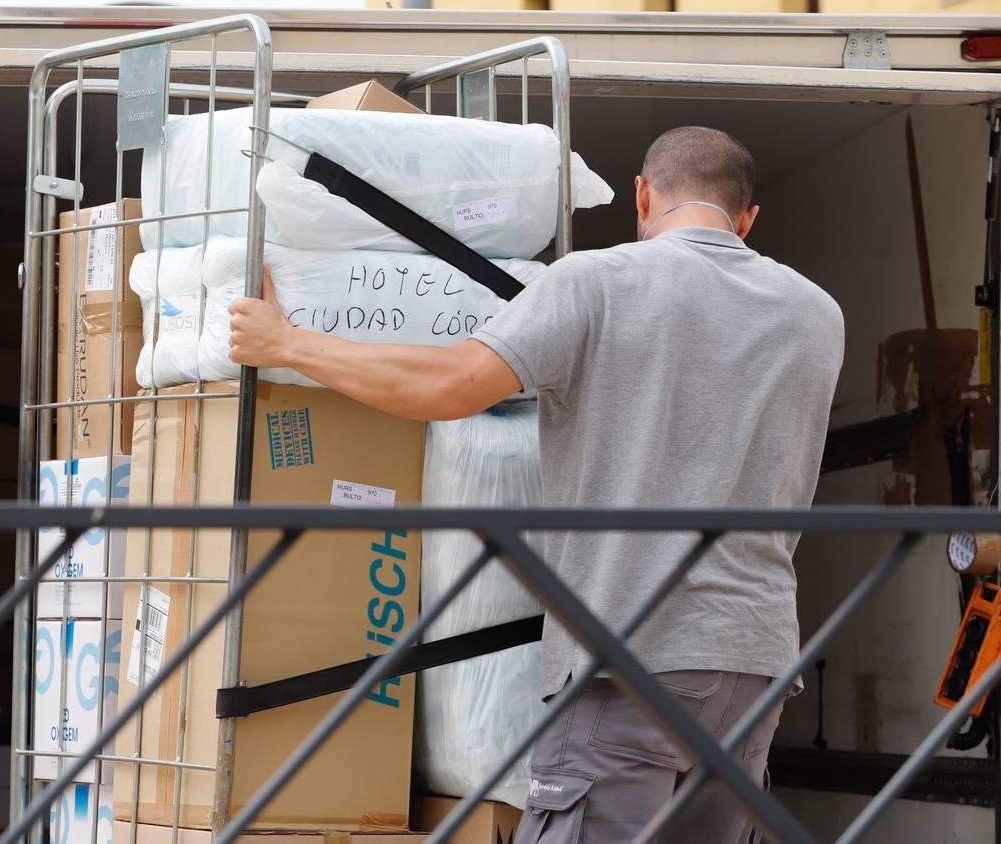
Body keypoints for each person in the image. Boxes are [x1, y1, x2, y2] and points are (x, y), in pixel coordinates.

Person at [227, 126, 844, 843]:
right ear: (748, 218)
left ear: (642, 197)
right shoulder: (816, 313)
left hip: (632, 658)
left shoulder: (598, 281)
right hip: (755, 665)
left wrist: (286, 344)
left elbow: (453, 383)